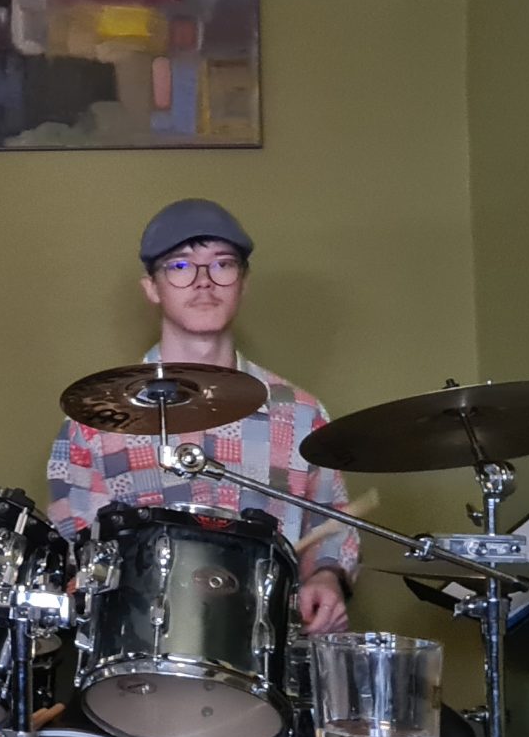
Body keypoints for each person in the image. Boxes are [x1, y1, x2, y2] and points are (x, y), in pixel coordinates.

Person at [45, 198, 356, 634]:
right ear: (152, 288)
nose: (204, 281)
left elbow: (331, 524)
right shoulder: (97, 420)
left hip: (269, 652)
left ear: (243, 283)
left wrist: (326, 577)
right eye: (180, 266)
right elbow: (74, 545)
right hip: (141, 654)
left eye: (222, 264)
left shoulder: (302, 416)